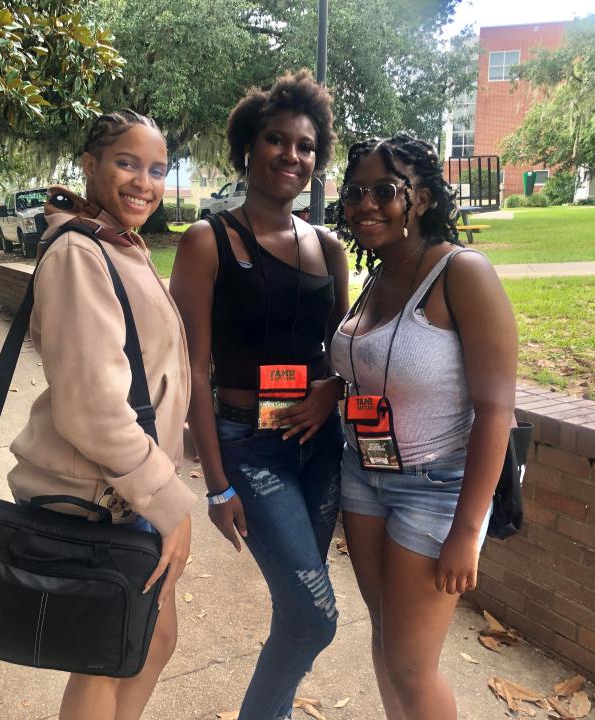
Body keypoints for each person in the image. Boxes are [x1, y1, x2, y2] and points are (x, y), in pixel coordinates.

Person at [170, 71, 349, 720]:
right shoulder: (207, 242)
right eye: (277, 140)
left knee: (298, 612)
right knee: (315, 612)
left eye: (305, 146)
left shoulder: (328, 248)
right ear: (248, 147)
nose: (291, 156)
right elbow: (192, 366)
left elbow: (343, 354)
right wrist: (216, 483)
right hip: (250, 448)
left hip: (320, 447)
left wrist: (331, 390)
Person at [6, 110, 196, 720]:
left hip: (128, 491)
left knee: (150, 643)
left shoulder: (116, 245)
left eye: (157, 169)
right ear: (89, 167)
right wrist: (168, 503)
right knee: (106, 657)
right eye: (127, 162)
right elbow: (90, 406)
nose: (145, 181)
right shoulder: (80, 255)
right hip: (104, 496)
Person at [330, 134, 517, 720]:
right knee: (385, 640)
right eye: (355, 191)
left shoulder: (462, 273)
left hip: (436, 490)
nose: (365, 204)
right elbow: (367, 372)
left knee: (412, 663)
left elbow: (496, 411)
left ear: (425, 198)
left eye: (384, 190)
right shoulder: (377, 278)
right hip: (364, 478)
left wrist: (467, 531)